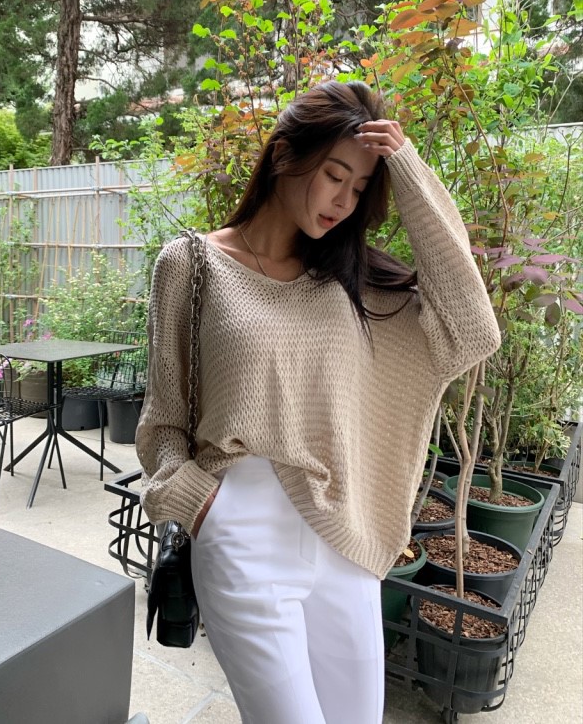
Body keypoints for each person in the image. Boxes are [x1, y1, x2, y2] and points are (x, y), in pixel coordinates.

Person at [136, 80, 500, 724]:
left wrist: (407, 169)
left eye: (360, 187)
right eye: (335, 175)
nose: (343, 200)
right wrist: (203, 508)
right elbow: (164, 420)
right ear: (283, 155)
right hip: (240, 532)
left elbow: (473, 330)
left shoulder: (353, 283)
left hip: (345, 539)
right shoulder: (192, 265)